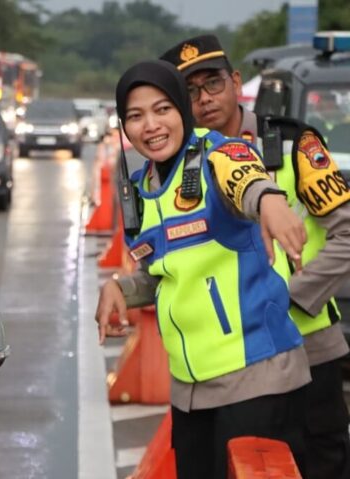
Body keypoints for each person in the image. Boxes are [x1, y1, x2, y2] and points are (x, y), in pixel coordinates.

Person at [97, 59, 312, 479]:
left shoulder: (217, 154)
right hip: (190, 392)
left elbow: (245, 176)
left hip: (257, 381)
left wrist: (269, 199)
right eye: (135, 116)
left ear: (182, 108)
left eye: (162, 109)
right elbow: (163, 268)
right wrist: (122, 287)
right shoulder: (145, 187)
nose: (151, 125)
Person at [161, 35, 350, 479]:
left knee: (322, 466)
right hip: (232, 368)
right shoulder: (181, 168)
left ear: (236, 82)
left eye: (213, 83)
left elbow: (346, 232)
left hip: (308, 346)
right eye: (189, 91)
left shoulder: (290, 145)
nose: (204, 99)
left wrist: (288, 298)